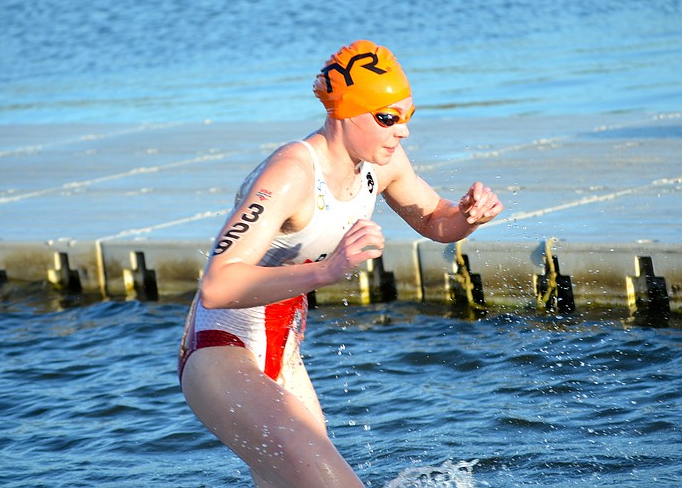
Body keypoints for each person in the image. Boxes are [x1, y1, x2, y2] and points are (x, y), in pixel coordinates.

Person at [178, 40, 503, 488]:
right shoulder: (291, 174)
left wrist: (466, 216)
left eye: (407, 117)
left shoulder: (379, 163)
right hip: (222, 353)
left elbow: (433, 219)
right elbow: (217, 284)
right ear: (344, 113)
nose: (402, 131)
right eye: (387, 119)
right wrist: (327, 271)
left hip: (283, 355)